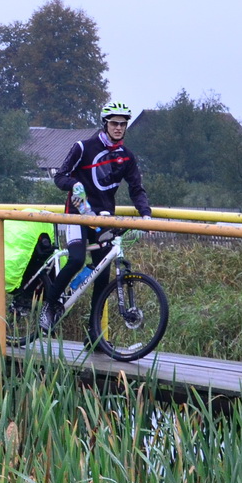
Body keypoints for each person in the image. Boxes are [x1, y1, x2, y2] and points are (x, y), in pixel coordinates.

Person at [44, 102, 152, 328]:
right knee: (75, 260)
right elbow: (60, 177)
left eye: (123, 124)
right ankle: (49, 306)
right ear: (105, 124)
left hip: (103, 219)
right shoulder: (83, 147)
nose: (119, 128)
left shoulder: (127, 156)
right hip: (78, 214)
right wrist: (74, 184)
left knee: (102, 276)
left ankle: (94, 334)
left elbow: (136, 188)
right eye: (114, 123)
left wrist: (146, 215)